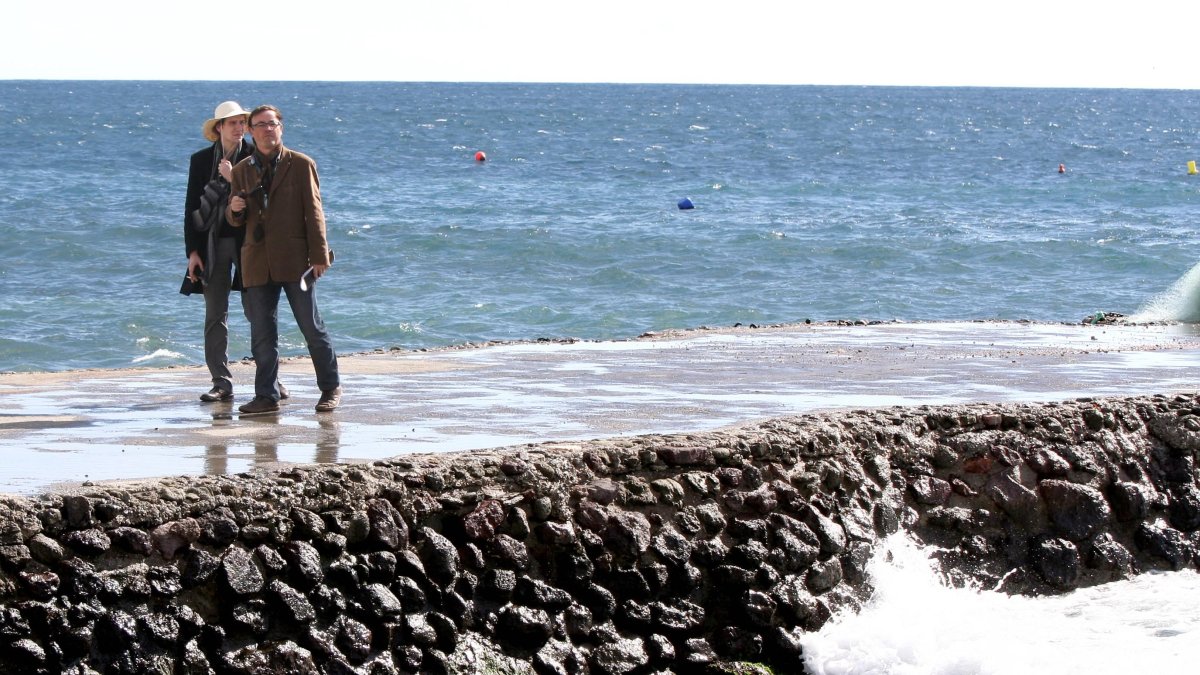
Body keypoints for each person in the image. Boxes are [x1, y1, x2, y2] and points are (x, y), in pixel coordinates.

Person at [227, 105, 342, 414]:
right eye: (260, 125)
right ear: (251, 131)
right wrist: (235, 208)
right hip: (257, 262)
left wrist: (319, 255)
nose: (267, 130)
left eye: (272, 124)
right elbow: (235, 219)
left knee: (311, 327)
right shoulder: (241, 170)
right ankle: (266, 395)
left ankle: (330, 388)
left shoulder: (301, 164)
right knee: (262, 334)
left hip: (296, 261)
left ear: (281, 128)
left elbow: (314, 213)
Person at [184, 101, 289, 403]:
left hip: (250, 246)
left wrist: (233, 180)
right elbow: (191, 207)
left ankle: (271, 381)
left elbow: (265, 202)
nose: (239, 127)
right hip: (213, 245)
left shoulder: (255, 157)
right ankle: (221, 382)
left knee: (258, 314)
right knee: (215, 315)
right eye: (232, 123)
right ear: (219, 128)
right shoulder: (201, 160)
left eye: (242, 122)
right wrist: (192, 252)